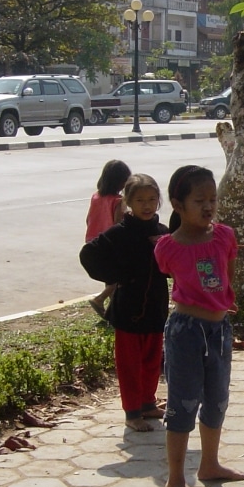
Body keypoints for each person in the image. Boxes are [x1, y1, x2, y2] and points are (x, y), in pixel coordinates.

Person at [155, 165, 244, 487]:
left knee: (217, 399)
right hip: (186, 332)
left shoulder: (225, 235)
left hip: (220, 329)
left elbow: (228, 273)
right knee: (183, 403)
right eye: (199, 200)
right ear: (178, 205)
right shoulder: (168, 247)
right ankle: (175, 481)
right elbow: (173, 278)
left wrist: (226, 301)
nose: (209, 206)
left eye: (213, 198)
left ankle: (210, 465)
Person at [79, 174, 169, 432]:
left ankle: (147, 403)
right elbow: (89, 254)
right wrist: (118, 276)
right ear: (128, 202)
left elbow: (173, 266)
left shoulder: (162, 233)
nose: (147, 205)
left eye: (152, 199)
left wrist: (165, 248)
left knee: (153, 360)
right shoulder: (119, 233)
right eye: (140, 200)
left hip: (155, 307)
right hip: (128, 310)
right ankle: (132, 413)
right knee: (130, 365)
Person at [85, 160, 132, 318]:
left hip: (94, 241)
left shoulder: (96, 197)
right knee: (122, 275)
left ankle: (113, 310)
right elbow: (119, 224)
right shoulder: (118, 201)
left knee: (110, 277)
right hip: (110, 243)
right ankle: (100, 299)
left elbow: (88, 219)